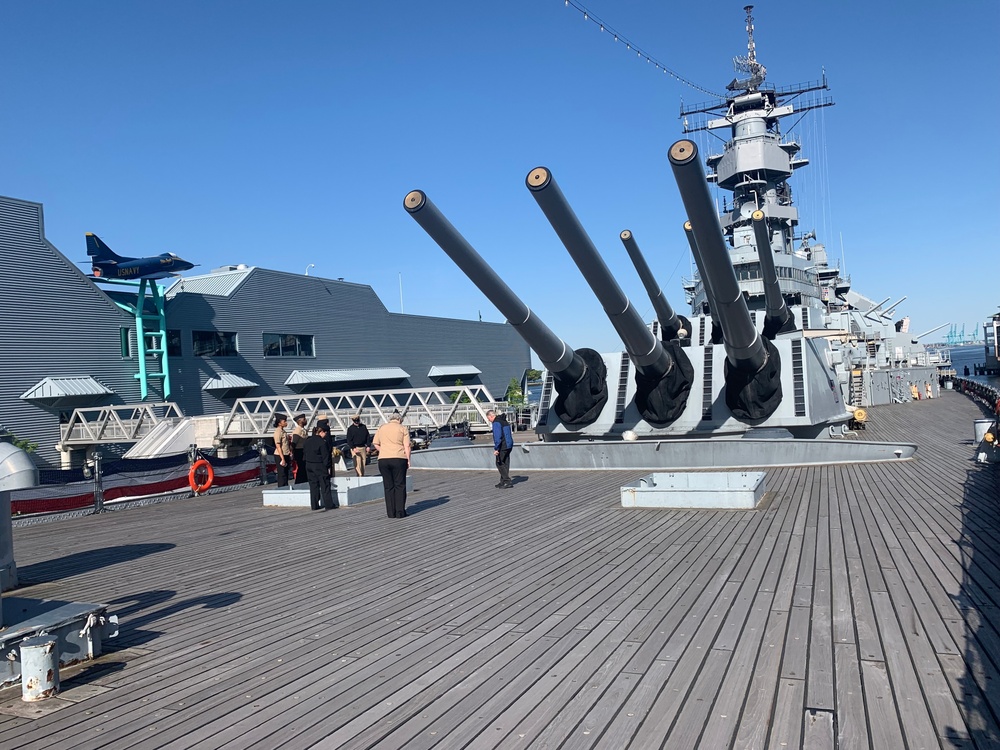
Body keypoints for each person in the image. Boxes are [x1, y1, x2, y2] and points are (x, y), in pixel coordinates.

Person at [373, 410, 411, 518]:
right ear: (399, 419)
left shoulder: (381, 428)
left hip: (383, 459)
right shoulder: (402, 428)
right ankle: (400, 512)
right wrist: (408, 460)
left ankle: (390, 512)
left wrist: (384, 449)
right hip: (398, 458)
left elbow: (375, 443)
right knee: (399, 485)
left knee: (388, 486)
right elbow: (407, 446)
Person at [302, 424, 336, 510]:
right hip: (319, 465)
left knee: (313, 485)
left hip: (309, 464)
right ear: (320, 432)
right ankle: (329, 504)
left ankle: (314, 505)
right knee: (325, 484)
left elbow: (304, 453)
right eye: (325, 432)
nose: (326, 434)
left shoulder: (307, 441)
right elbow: (326, 456)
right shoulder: (322, 442)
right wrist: (328, 467)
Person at [486, 409, 514, 489]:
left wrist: (496, 449)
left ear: (491, 416)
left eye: (489, 419)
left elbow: (498, 436)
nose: (489, 421)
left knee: (499, 463)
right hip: (509, 445)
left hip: (503, 445)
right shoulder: (504, 421)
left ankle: (507, 481)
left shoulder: (496, 423)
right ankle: (502, 482)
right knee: (505, 463)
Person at [272, 413, 292, 487]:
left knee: (286, 473)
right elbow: (278, 446)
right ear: (279, 423)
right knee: (282, 474)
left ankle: (286, 487)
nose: (286, 423)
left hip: (286, 453)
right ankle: (281, 488)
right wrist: (282, 458)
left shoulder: (283, 431)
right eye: (284, 421)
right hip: (280, 455)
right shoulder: (278, 432)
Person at [290, 414, 308, 484]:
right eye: (304, 419)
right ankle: (299, 482)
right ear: (300, 421)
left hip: (303, 451)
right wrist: (292, 452)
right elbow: (294, 443)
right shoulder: (298, 431)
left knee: (304, 468)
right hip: (299, 451)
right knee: (301, 468)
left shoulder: (303, 430)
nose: (305, 420)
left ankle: (304, 481)